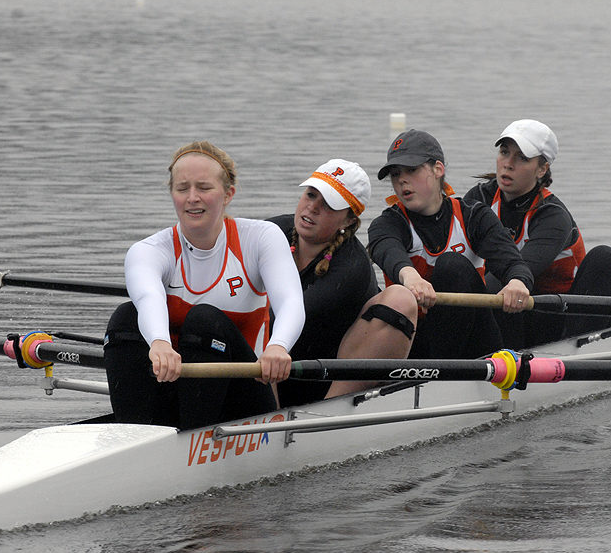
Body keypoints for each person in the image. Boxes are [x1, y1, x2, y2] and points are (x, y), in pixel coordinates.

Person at [103, 141, 305, 430]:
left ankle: (190, 441)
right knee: (125, 317)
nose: (192, 198)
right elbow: (147, 296)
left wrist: (278, 347)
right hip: (178, 391)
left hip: (245, 395)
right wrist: (158, 342)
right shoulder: (148, 251)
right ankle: (135, 432)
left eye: (204, 188)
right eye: (182, 188)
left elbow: (290, 302)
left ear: (228, 194)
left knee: (204, 319)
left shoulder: (261, 238)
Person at [368, 129, 534, 360]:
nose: (402, 180)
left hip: (476, 342)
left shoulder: (474, 216)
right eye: (395, 174)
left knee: (452, 266)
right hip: (417, 341)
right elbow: (386, 249)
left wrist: (517, 282)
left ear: (438, 169)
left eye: (412, 170)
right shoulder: (386, 224)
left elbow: (513, 263)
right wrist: (411, 277)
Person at [269, 159, 420, 404]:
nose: (312, 208)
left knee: (400, 299)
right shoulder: (272, 232)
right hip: (273, 369)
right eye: (310, 195)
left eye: (328, 204)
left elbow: (286, 316)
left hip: (325, 381)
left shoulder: (352, 266)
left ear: (349, 220)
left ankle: (331, 414)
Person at [463, 119, 611, 347]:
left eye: (522, 158)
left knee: (605, 257)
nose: (508, 164)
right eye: (504, 152)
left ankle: (587, 349)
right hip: (512, 309)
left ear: (542, 169)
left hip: (558, 316)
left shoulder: (552, 216)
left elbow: (517, 270)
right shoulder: (479, 198)